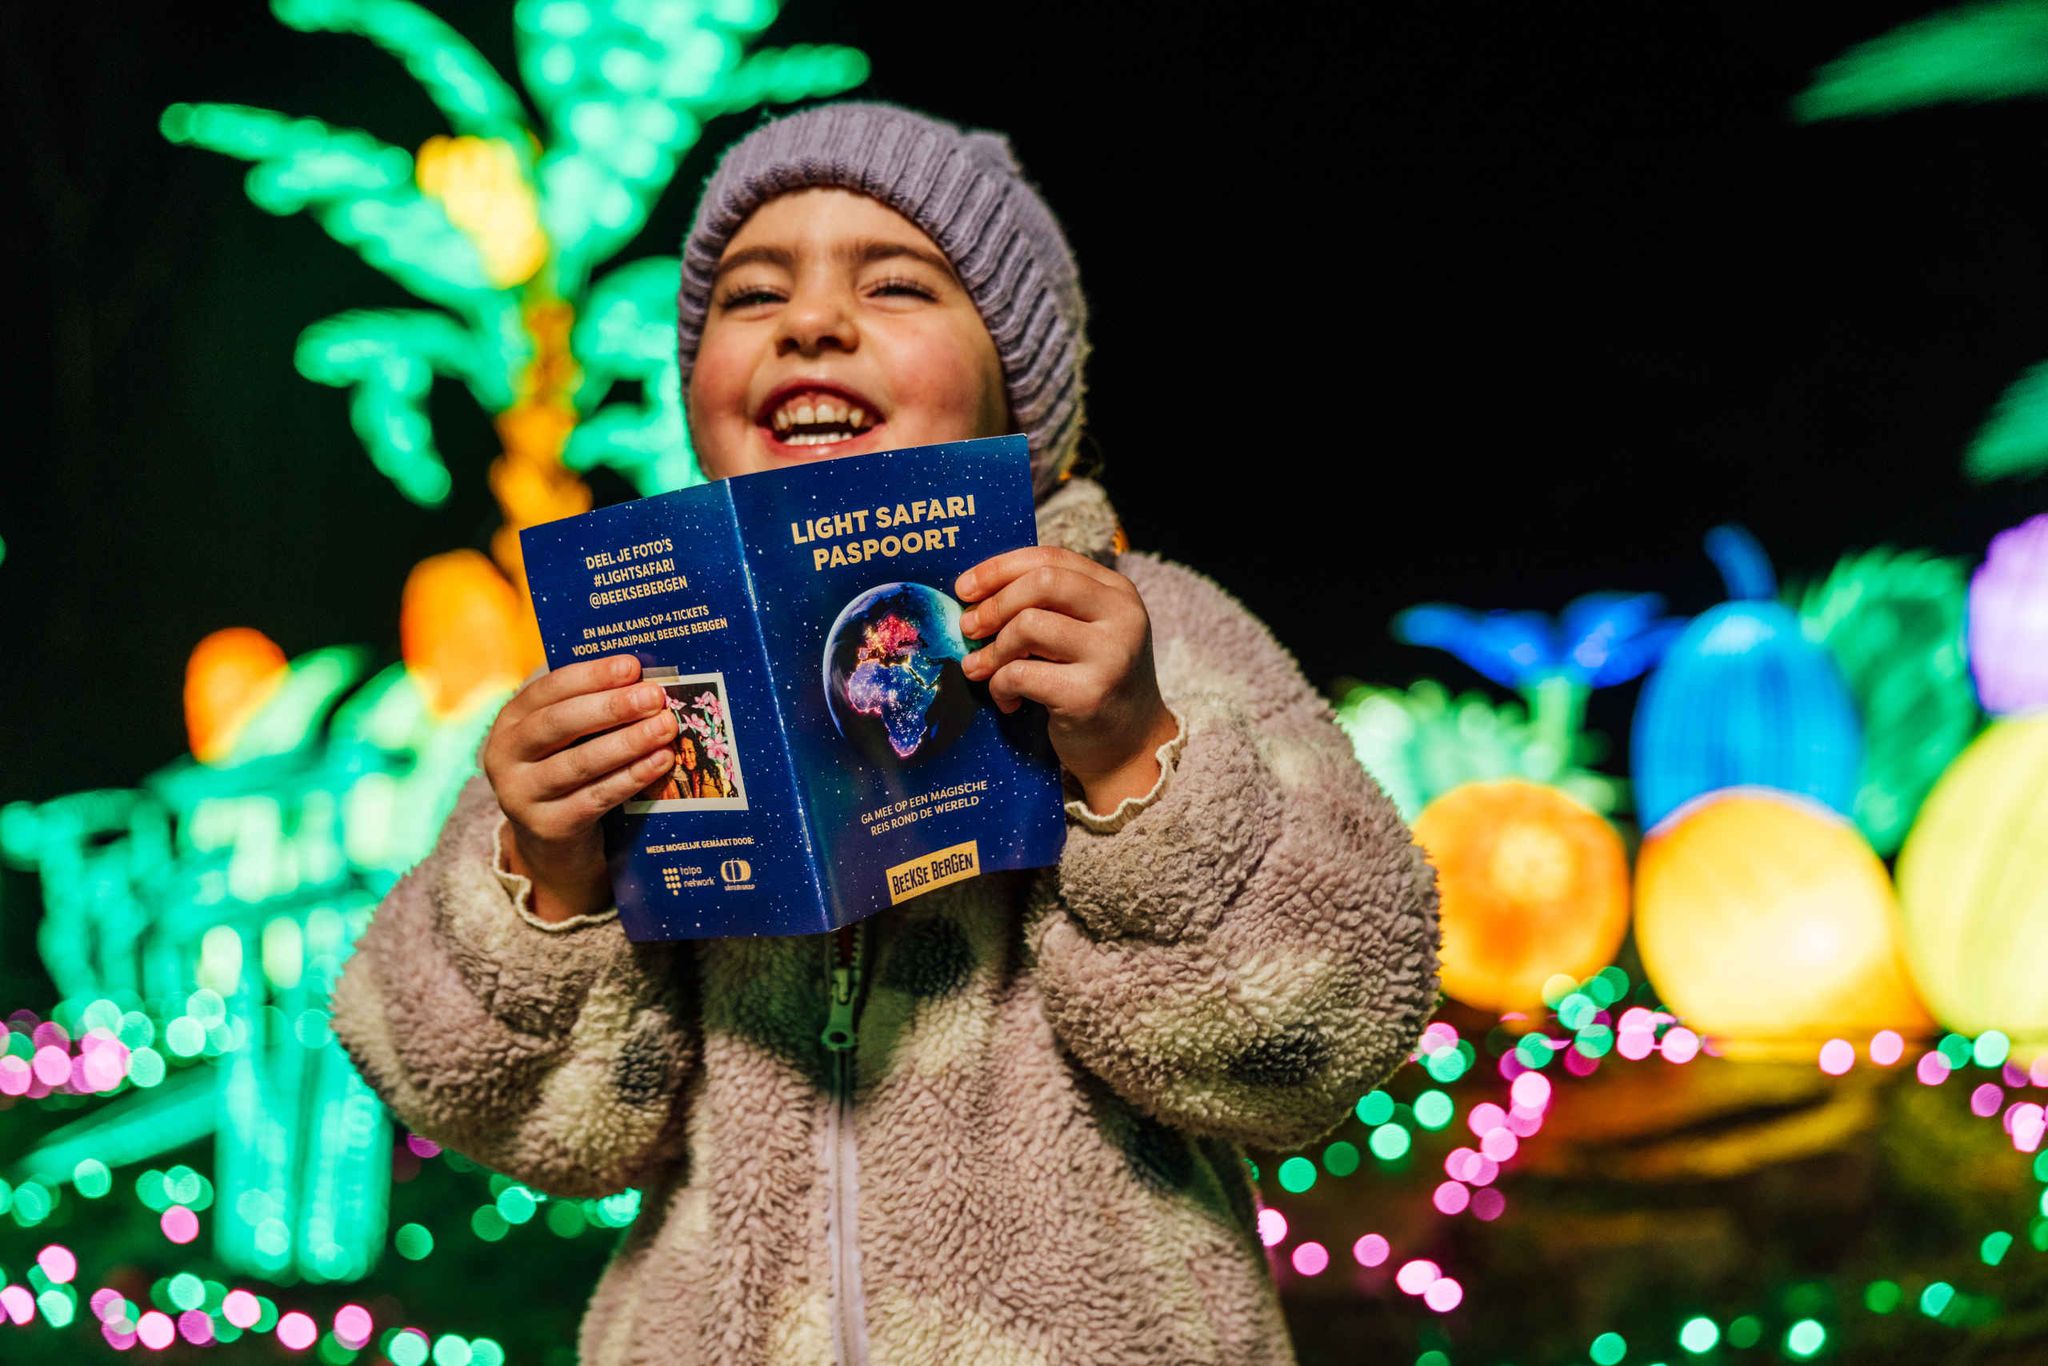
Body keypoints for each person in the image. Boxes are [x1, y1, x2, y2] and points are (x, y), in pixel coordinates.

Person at [329, 100, 1442, 1366]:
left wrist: (1135, 757)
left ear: (1015, 383)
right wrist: (545, 872)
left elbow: (1328, 1028)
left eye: (896, 284)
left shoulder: (1156, 639)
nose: (808, 322)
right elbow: (498, 1106)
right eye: (750, 296)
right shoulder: (618, 671)